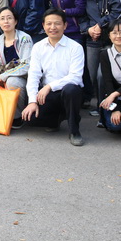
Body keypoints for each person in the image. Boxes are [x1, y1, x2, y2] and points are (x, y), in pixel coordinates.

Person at [21, 8, 86, 146]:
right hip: (48, 93)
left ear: (65, 25)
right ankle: (56, 119)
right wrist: (32, 101)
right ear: (43, 26)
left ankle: (74, 130)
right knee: (31, 119)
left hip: (68, 92)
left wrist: (50, 86)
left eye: (57, 23)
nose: (53, 27)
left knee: (71, 90)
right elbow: (33, 75)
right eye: (49, 24)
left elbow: (75, 77)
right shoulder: (38, 47)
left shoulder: (75, 47)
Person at [80, 0, 121, 111]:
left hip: (111, 39)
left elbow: (119, 10)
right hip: (92, 41)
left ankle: (105, 109)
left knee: (103, 76)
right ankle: (96, 106)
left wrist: (101, 25)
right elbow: (81, 18)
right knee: (91, 75)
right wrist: (89, 30)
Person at [0, 8, 33, 124]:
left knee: (12, 81)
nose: (6, 21)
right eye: (2, 19)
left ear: (16, 21)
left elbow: (26, 65)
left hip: (24, 78)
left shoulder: (25, 38)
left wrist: (3, 76)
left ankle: (17, 117)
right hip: (5, 75)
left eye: (9, 18)